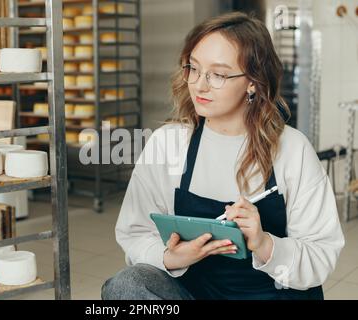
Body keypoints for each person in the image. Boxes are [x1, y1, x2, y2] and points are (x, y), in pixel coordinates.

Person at [101, 12, 345, 300]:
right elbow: (135, 232)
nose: (200, 85)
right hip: (195, 292)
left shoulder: (292, 149)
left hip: (273, 295)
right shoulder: (168, 143)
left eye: (218, 74)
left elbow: (321, 255)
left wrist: (264, 243)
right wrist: (171, 257)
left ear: (253, 82)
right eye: (194, 68)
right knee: (125, 286)